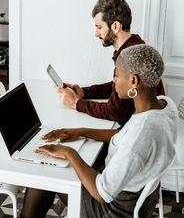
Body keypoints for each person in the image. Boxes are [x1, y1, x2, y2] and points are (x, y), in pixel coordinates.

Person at [20, 45, 178, 218]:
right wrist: (81, 131)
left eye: (117, 76)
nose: (114, 83)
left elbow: (102, 193)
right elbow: (123, 136)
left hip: (110, 210)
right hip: (135, 200)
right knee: (53, 170)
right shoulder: (165, 105)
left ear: (134, 81)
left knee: (45, 174)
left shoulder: (141, 133)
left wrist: (69, 153)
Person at [56, 0, 164, 127]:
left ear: (115, 26)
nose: (96, 33)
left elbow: (114, 112)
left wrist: (76, 103)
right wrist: (84, 92)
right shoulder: (135, 46)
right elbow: (119, 86)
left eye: (99, 27)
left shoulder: (129, 57)